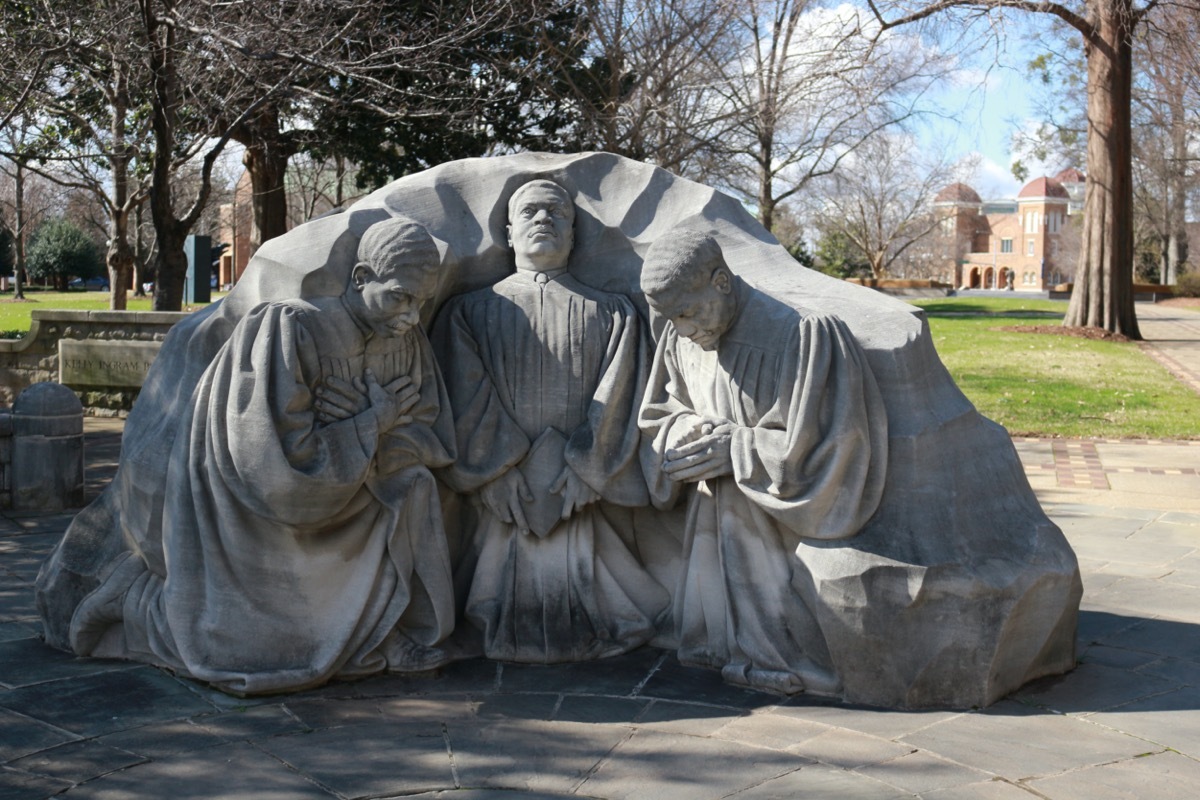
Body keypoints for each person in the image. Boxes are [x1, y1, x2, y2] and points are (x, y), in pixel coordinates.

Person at [66, 218, 459, 694]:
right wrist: (370, 422)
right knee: (238, 647)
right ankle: (137, 600)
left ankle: (382, 630)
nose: (412, 316)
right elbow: (271, 460)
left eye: (421, 301)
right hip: (256, 501)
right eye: (400, 296)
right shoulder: (292, 327)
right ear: (360, 278)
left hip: (360, 481)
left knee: (412, 485)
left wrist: (376, 428)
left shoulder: (405, 339)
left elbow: (426, 426)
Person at [638, 229, 888, 695]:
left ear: (722, 282)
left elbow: (832, 445)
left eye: (689, 313)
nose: (685, 330)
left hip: (767, 524)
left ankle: (778, 651)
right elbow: (660, 412)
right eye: (671, 319)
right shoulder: (680, 338)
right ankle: (722, 643)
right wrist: (682, 432)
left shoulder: (802, 333)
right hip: (711, 522)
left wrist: (734, 449)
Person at [433, 179, 668, 663]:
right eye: (530, 213)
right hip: (504, 491)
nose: (544, 220)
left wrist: (590, 467)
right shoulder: (468, 313)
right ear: (508, 233)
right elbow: (461, 393)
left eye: (558, 214)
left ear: (575, 236)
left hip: (576, 488)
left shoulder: (613, 313)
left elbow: (622, 392)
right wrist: (493, 471)